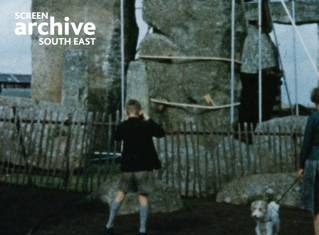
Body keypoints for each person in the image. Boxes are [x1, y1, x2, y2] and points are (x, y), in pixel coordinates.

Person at [104, 99, 165, 235]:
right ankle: (142, 230)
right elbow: (161, 133)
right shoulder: (145, 125)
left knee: (120, 195)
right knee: (143, 197)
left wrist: (124, 123)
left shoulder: (123, 126)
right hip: (143, 167)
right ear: (139, 111)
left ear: (127, 111)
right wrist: (148, 118)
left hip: (127, 167)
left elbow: (116, 138)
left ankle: (109, 226)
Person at [239, 0, 282, 130]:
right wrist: (274, 73)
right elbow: (266, 65)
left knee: (252, 103)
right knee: (257, 105)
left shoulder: (257, 37)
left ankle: (250, 128)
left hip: (255, 76)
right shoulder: (257, 37)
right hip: (258, 78)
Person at [299, 88, 319, 235]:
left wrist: (301, 166)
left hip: (314, 161)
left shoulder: (313, 117)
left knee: (316, 203)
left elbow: (307, 143)